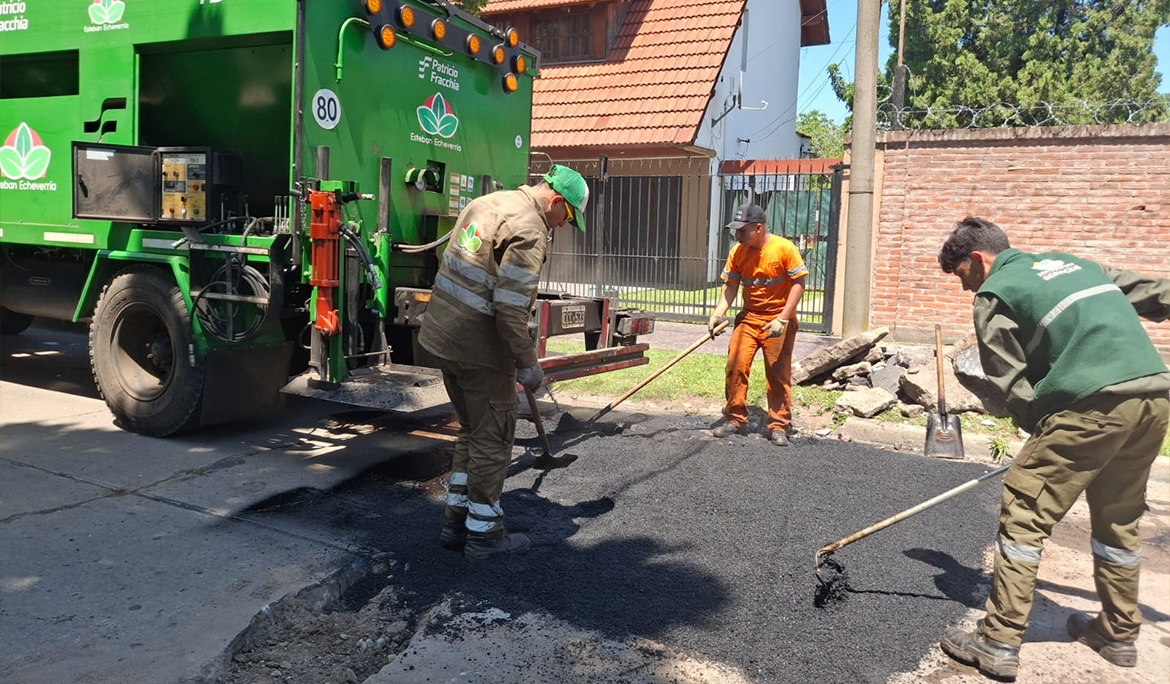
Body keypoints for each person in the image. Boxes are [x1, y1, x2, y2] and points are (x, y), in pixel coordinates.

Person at [935, 216, 1170, 680]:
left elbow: (1011, 382)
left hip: (1092, 405)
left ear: (977, 260)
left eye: (962, 275)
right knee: (1118, 519)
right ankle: (1118, 634)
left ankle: (998, 640)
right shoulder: (1074, 264)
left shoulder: (994, 294)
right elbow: (1156, 292)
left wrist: (1038, 428)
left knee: (1024, 513)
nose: (965, 289)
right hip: (1154, 401)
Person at [418, 164, 588, 561]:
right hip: (481, 352)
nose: (563, 226)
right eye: (568, 217)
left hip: (443, 338)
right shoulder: (530, 229)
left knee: (472, 431)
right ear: (557, 201)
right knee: (494, 439)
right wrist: (528, 363)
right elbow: (510, 310)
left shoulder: (485, 203)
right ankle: (485, 535)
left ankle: (455, 521)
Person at [707, 203, 807, 447]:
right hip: (750, 318)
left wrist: (782, 319)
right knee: (735, 365)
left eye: (742, 230)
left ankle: (779, 424)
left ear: (759, 228)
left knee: (777, 373)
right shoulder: (738, 252)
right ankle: (735, 418)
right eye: (736, 231)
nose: (737, 235)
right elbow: (731, 286)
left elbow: (799, 284)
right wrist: (718, 313)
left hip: (778, 320)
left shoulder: (784, 249)